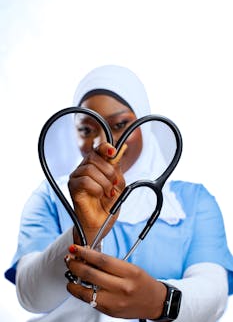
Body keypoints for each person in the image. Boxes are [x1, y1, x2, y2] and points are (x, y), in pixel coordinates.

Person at [5, 65, 233, 322]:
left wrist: (161, 300)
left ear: (145, 124)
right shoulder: (50, 195)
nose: (102, 143)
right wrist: (84, 232)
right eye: (86, 129)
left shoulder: (193, 201)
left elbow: (214, 294)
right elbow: (31, 296)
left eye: (120, 124)